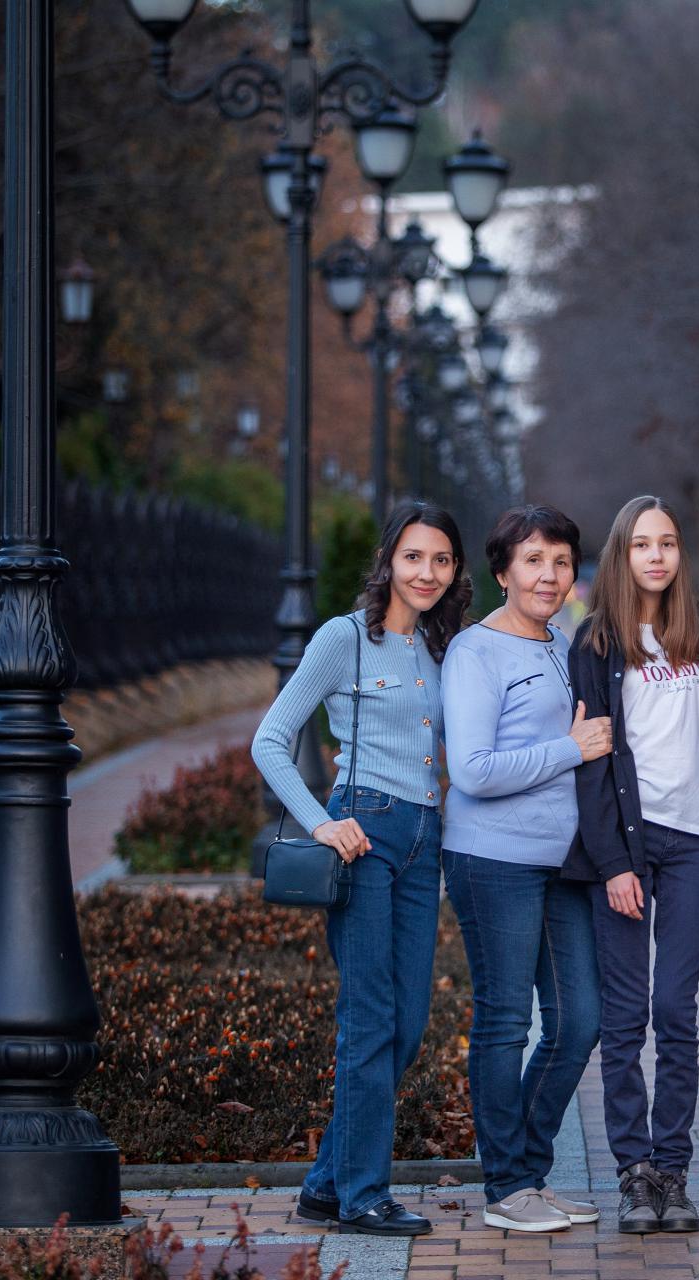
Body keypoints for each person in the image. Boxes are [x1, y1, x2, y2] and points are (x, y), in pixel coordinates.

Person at [251, 501, 471, 1237]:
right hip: (364, 834)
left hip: (423, 839)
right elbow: (272, 740)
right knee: (371, 1021)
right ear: (389, 562)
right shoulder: (342, 639)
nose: (428, 572)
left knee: (406, 1027)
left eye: (441, 560)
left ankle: (323, 1185)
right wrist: (321, 822)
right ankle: (363, 1195)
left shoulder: (443, 650)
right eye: (415, 557)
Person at [562, 496, 699, 1235]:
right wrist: (611, 861)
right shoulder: (598, 644)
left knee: (676, 1012)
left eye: (668, 542)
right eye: (643, 544)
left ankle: (673, 1172)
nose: (657, 556)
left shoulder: (697, 635)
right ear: (622, 554)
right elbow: (593, 762)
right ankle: (633, 1174)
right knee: (625, 1017)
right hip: (630, 852)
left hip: (695, 845)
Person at [442, 504, 611, 1234]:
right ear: (503, 570)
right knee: (506, 1021)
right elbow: (473, 771)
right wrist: (573, 750)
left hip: (562, 864)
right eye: (533, 561)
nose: (549, 575)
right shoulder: (474, 652)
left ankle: (527, 1172)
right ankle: (507, 1185)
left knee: (580, 1020)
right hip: (493, 859)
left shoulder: (559, 642)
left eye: (561, 561)